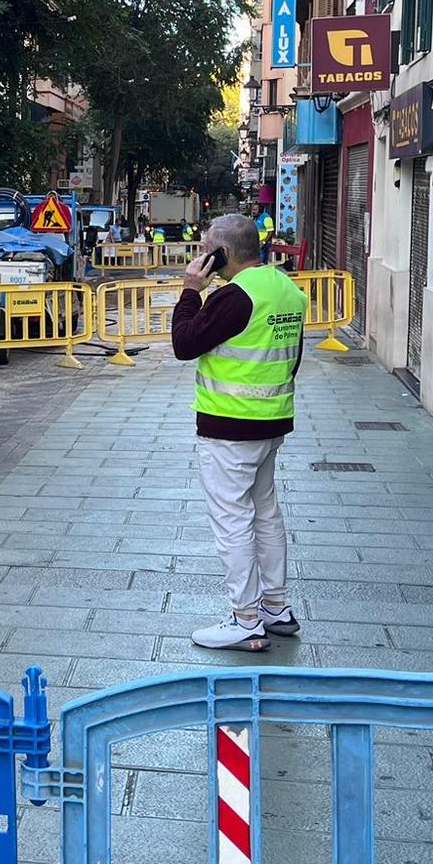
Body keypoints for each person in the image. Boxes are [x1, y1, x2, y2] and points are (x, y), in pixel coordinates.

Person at [170, 212, 308, 651]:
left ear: (221, 254)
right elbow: (293, 356)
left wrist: (191, 291)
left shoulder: (234, 297)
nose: (200, 257)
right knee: (265, 513)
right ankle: (276, 607)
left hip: (229, 426)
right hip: (272, 421)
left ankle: (245, 617)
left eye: (205, 249)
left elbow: (184, 344)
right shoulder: (287, 289)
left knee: (232, 520)